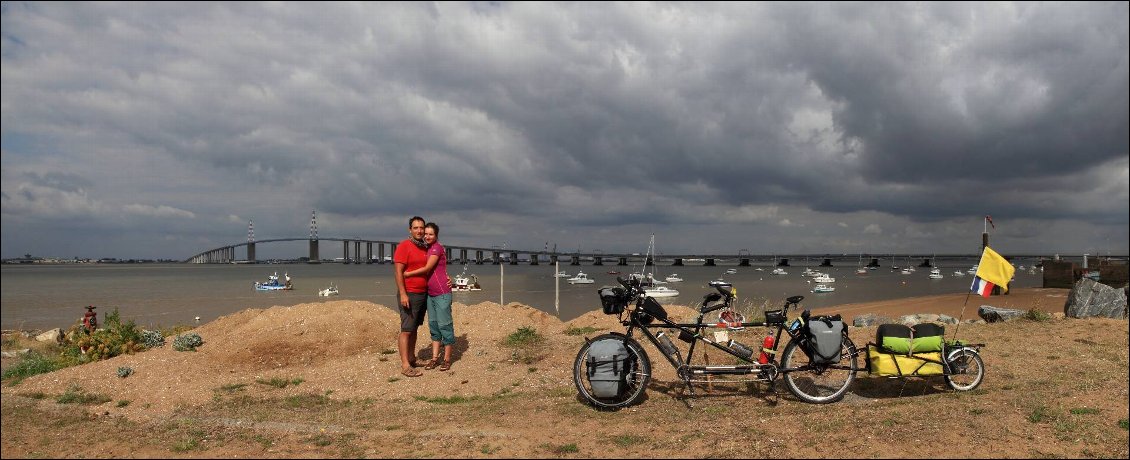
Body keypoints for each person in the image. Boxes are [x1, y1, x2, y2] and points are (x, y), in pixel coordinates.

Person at [403, 222, 455, 371]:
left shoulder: (437, 248)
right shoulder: (427, 247)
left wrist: (407, 274)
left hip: (442, 293)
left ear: (436, 235)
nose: (427, 236)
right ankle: (434, 358)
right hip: (430, 294)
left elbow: (427, 268)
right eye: (425, 234)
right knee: (433, 326)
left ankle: (446, 359)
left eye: (430, 234)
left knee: (445, 325)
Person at [393, 216, 429, 377]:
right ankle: (405, 365)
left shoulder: (425, 247)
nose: (419, 231)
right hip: (409, 293)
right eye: (416, 228)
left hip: (423, 294)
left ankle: (412, 358)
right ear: (410, 230)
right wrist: (403, 293)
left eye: (421, 228)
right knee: (406, 329)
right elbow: (398, 272)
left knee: (414, 328)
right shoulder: (404, 246)